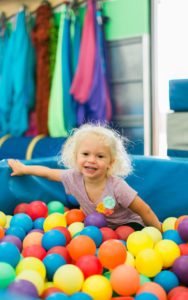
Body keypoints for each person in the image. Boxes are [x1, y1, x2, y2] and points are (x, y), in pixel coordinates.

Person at [8, 123, 161, 231]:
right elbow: (48, 173)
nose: (91, 160)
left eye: (100, 156)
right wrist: (24, 169)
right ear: (76, 156)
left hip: (128, 226)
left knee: (123, 235)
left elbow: (144, 209)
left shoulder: (117, 186)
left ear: (111, 162)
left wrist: (159, 230)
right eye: (85, 154)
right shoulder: (73, 177)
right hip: (97, 228)